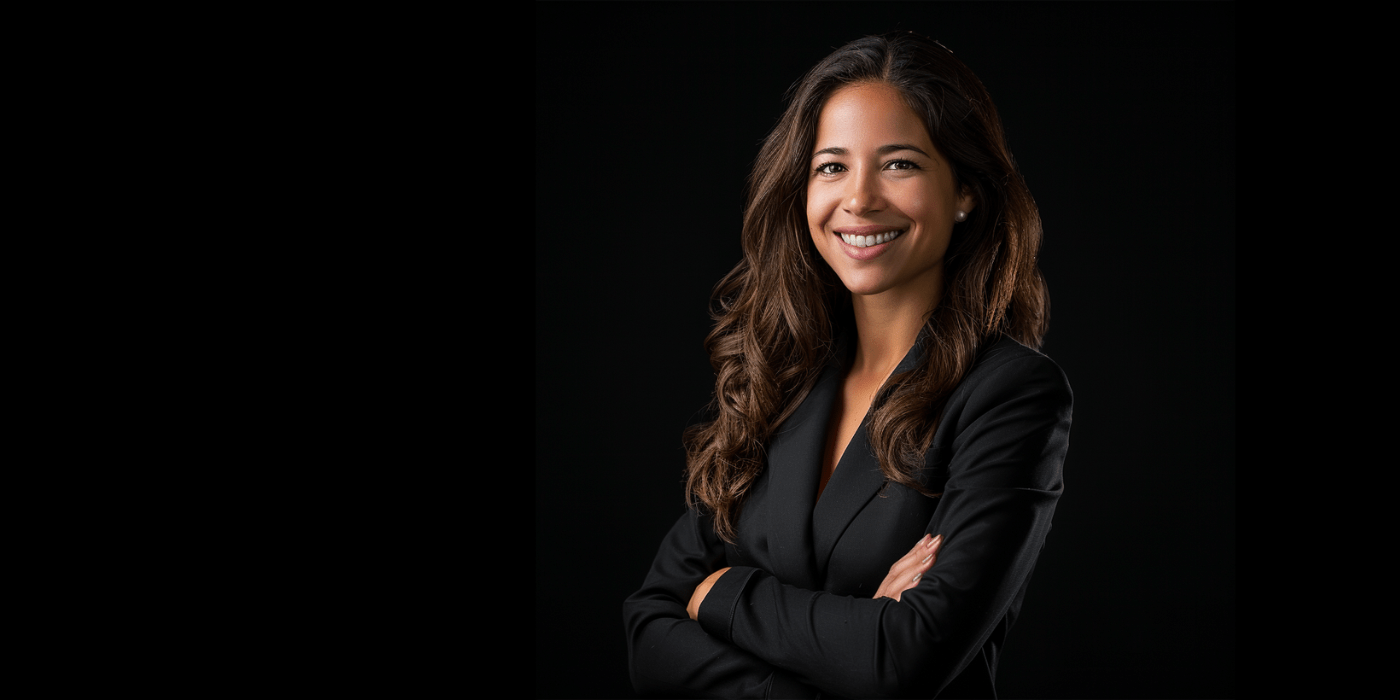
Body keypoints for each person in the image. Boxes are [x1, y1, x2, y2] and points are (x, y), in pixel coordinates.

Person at [623, 32, 1072, 699]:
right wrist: (847, 640)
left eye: (900, 165)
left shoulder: (1011, 395)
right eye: (832, 166)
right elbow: (648, 631)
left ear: (965, 193)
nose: (858, 199)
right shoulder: (780, 375)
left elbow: (903, 659)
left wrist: (723, 592)